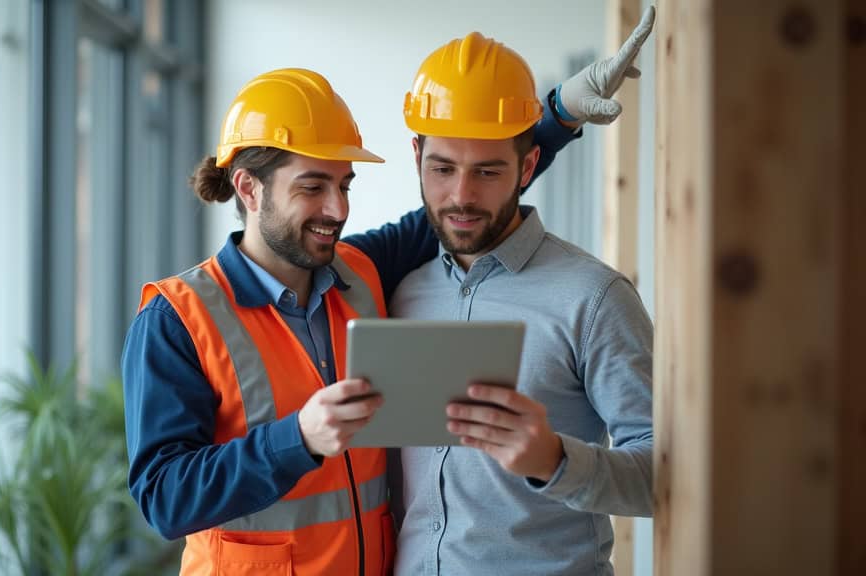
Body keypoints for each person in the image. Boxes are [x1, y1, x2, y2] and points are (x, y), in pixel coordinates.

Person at [121, 19, 651, 574]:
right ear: (249, 189)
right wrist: (296, 438)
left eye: (344, 184)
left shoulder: (361, 274)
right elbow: (162, 498)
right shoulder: (178, 317)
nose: (337, 210)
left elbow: (465, 203)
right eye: (312, 187)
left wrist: (558, 113)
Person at [388, 9, 657, 576]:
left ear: (528, 163)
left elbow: (666, 474)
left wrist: (556, 461)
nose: (461, 195)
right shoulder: (399, 294)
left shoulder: (595, 298)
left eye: (487, 172)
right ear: (417, 157)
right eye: (442, 168)